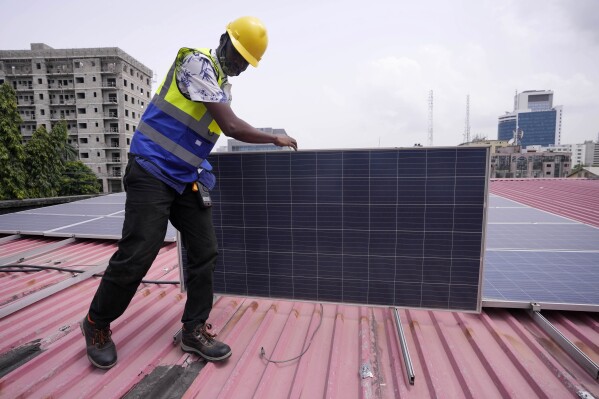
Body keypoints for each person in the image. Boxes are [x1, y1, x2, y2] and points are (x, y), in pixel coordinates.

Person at [80, 16, 298, 369]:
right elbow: (229, 126)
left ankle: (193, 330)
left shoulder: (223, 88)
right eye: (238, 55)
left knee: (204, 250)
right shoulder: (196, 62)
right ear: (224, 40)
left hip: (183, 177)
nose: (240, 65)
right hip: (151, 169)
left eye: (246, 62)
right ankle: (96, 323)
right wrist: (273, 137)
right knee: (140, 251)